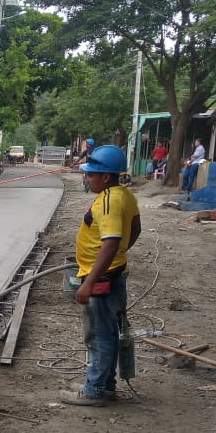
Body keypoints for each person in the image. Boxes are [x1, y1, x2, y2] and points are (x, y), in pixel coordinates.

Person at [61, 144, 141, 407]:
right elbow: (135, 229)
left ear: (105, 177)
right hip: (113, 273)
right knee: (107, 332)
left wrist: (91, 281)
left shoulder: (108, 201)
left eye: (91, 175)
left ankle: (94, 390)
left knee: (98, 335)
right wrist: (119, 254)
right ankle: (104, 386)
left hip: (103, 279)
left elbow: (111, 240)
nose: (87, 178)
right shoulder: (124, 195)